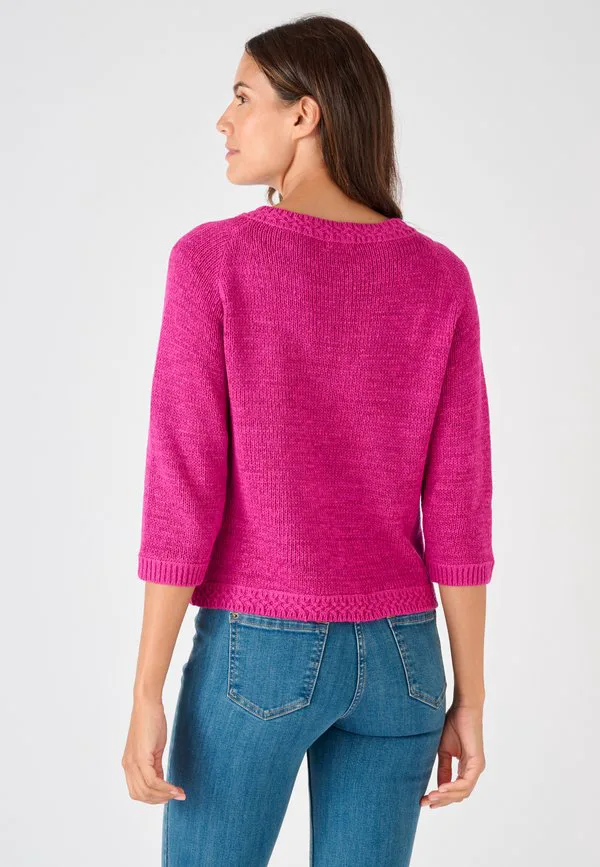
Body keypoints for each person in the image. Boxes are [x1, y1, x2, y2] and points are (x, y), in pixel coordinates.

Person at [122, 14, 495, 867]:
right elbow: (461, 504)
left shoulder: (212, 261)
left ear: (305, 114)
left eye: (243, 96)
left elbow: (184, 485)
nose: (223, 119)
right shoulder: (440, 277)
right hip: (405, 657)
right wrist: (470, 695)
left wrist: (146, 688)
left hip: (259, 649)